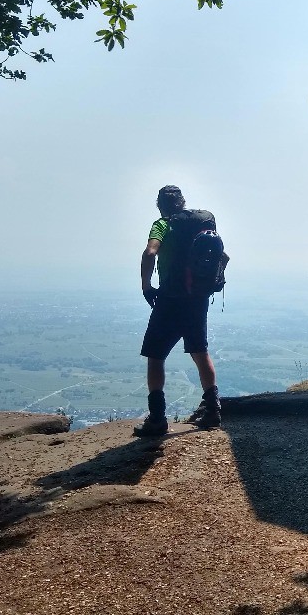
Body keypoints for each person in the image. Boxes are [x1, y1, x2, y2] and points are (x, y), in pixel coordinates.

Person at [134, 185, 222, 437]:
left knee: (156, 355)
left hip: (170, 298)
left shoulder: (162, 224)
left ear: (160, 205)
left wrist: (146, 286)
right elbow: (222, 256)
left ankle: (158, 419)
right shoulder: (202, 224)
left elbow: (150, 252)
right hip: (197, 298)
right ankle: (213, 411)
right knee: (199, 351)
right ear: (182, 203)